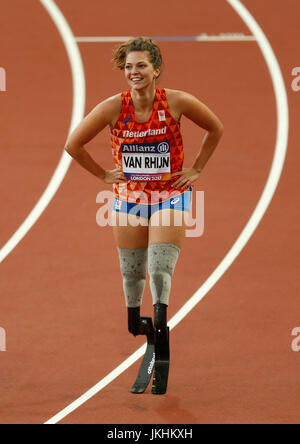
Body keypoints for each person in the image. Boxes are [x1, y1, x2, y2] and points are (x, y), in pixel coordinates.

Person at [65, 37, 223, 394]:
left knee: (158, 266)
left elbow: (216, 127)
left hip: (170, 194)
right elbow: (73, 144)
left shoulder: (176, 102)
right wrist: (105, 175)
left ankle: (163, 329)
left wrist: (196, 168)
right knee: (131, 272)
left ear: (156, 69)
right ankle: (139, 326)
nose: (133, 72)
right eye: (128, 67)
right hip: (130, 198)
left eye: (140, 66)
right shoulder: (112, 107)